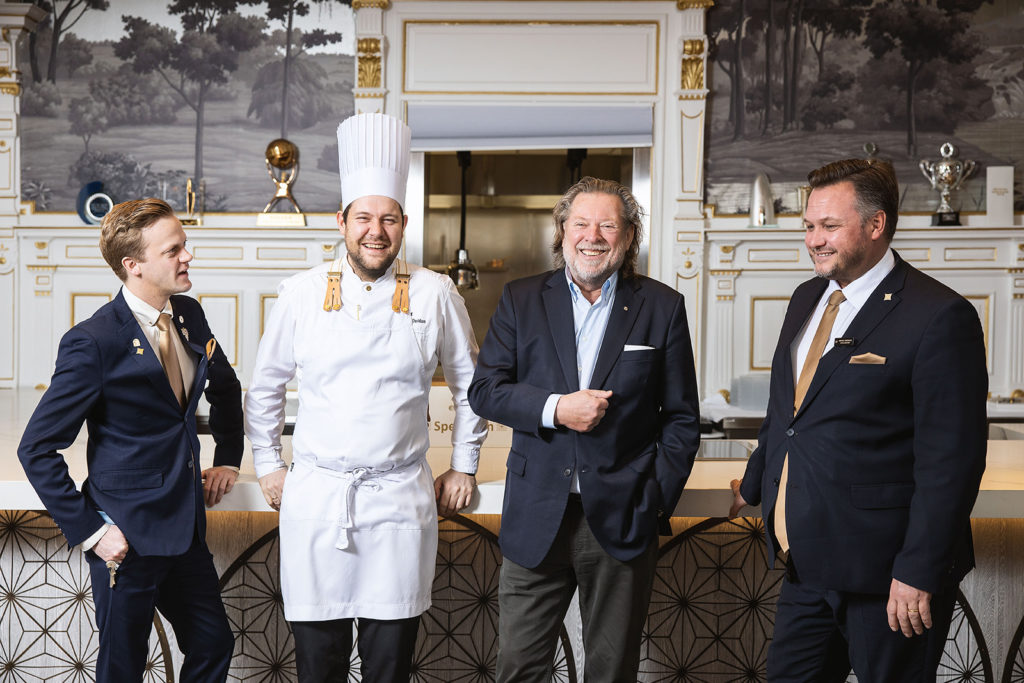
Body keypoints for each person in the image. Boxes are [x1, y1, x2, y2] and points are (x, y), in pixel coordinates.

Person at [244, 112, 488, 683]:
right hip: (317, 497)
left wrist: (464, 465)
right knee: (318, 665)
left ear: (403, 224)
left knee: (389, 666)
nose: (375, 231)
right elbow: (266, 386)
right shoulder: (301, 294)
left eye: (388, 219)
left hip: (399, 498)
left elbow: (471, 385)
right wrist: (269, 464)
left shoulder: (434, 292)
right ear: (341, 222)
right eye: (363, 218)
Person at [729, 159, 988, 681]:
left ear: (876, 226)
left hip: (888, 576)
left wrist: (917, 571)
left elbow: (951, 463)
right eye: (808, 226)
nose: (814, 240)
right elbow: (789, 410)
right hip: (806, 563)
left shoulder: (940, 315)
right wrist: (758, 481)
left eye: (829, 226)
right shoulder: (808, 297)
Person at [468, 176, 701, 682]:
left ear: (628, 237)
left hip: (621, 519)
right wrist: (556, 407)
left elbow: (682, 418)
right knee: (519, 670)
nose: (591, 236)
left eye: (607, 225)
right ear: (562, 230)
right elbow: (485, 391)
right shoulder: (520, 299)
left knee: (610, 672)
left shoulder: (662, 307)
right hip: (535, 518)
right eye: (580, 223)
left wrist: (654, 499)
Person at [18, 198, 243, 682]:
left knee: (213, 645)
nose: (188, 257)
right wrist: (94, 533)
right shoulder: (93, 341)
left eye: (184, 245)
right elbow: (35, 448)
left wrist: (228, 458)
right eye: (173, 250)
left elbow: (225, 388)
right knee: (123, 667)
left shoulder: (188, 314)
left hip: (186, 531)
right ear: (133, 265)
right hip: (127, 538)